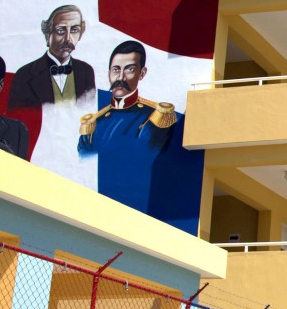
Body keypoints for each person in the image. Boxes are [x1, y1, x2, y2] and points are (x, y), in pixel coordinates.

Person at [77, 40, 204, 232]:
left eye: (129, 70)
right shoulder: (95, 121)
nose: (120, 77)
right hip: (96, 214)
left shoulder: (155, 118)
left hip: (139, 217)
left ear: (141, 73)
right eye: (115, 70)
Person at [7, 4, 96, 109]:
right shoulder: (25, 75)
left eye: (74, 30)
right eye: (61, 30)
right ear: (47, 35)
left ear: (80, 34)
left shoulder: (86, 71)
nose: (68, 38)